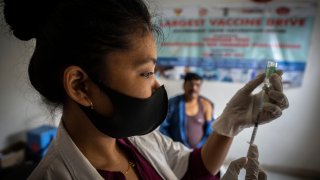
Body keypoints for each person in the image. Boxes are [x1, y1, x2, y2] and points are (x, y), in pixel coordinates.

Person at [3, 0, 289, 179]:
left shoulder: (140, 142)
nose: (156, 85)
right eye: (146, 72)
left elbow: (193, 169)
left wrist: (229, 124)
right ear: (80, 86)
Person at [159, 72, 215, 148]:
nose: (194, 88)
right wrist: (172, 146)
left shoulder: (206, 105)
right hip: (176, 151)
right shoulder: (172, 104)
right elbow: (163, 128)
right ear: (184, 85)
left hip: (199, 152)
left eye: (197, 85)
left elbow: (209, 131)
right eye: (191, 84)